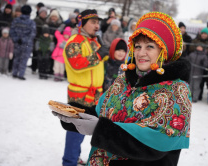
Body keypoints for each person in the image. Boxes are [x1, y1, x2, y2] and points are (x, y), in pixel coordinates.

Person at [54, 11, 192, 166]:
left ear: (164, 51)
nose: (141, 53)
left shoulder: (176, 90)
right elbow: (103, 111)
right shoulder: (124, 80)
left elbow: (156, 143)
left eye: (150, 46)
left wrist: (101, 130)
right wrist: (77, 115)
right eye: (137, 46)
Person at [59, 9, 108, 166]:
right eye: (93, 22)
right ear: (81, 24)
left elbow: (99, 63)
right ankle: (69, 162)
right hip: (79, 94)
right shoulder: (74, 41)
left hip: (96, 94)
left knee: (89, 130)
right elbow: (77, 63)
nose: (97, 25)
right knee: (75, 131)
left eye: (98, 22)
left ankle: (75, 157)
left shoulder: (93, 41)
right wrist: (99, 54)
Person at [9, 5, 36, 80]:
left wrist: (17, 39)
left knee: (16, 58)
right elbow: (32, 34)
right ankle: (21, 74)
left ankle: (14, 73)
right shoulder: (31, 23)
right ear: (29, 13)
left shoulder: (16, 20)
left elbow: (12, 31)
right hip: (27, 44)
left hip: (17, 43)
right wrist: (24, 40)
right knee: (24, 59)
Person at [189, 27, 208, 100]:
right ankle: (191, 96)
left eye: (205, 34)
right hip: (194, 63)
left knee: (201, 82)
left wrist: (204, 50)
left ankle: (197, 96)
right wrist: (196, 49)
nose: (203, 35)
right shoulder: (195, 40)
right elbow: (190, 48)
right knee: (191, 82)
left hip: (205, 63)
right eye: (202, 33)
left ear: (207, 34)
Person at [32, 6, 48, 74]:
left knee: (41, 55)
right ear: (39, 13)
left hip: (44, 41)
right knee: (36, 54)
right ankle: (34, 68)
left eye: (45, 13)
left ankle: (39, 68)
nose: (43, 14)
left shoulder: (46, 21)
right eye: (42, 13)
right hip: (37, 39)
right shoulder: (36, 20)